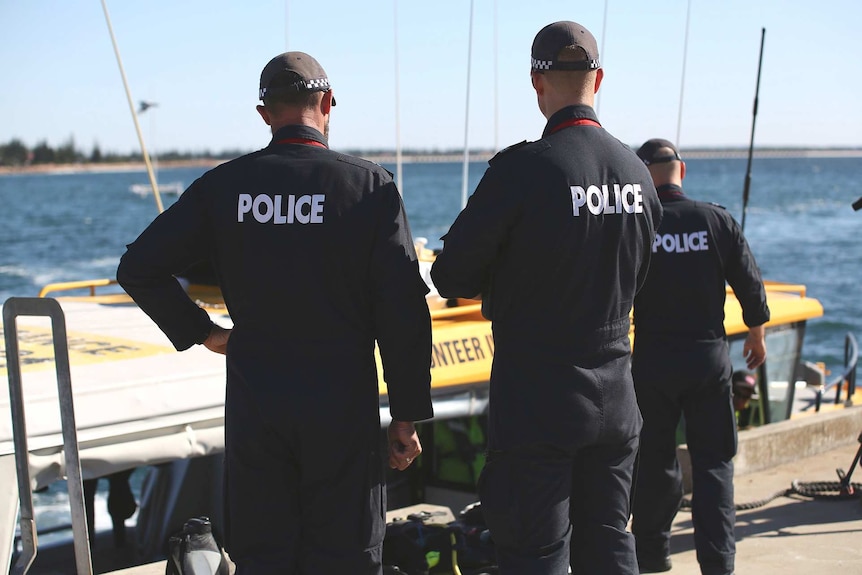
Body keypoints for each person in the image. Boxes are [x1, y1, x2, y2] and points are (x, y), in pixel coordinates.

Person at [116, 51, 434, 574]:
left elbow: (139, 267)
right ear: (327, 103)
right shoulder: (369, 187)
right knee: (347, 556)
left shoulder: (224, 187)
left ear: (264, 114)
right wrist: (406, 414)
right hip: (341, 405)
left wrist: (204, 332)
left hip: (257, 403)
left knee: (264, 556)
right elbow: (402, 311)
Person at [430, 21, 662, 575]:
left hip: (539, 396)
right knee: (609, 540)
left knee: (535, 552)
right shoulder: (638, 172)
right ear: (599, 78)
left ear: (537, 83)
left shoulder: (524, 170)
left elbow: (451, 275)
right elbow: (640, 273)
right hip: (617, 392)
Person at [630, 138, 769, 575]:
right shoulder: (715, 219)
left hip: (653, 362)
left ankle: (652, 556)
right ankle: (718, 563)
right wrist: (757, 334)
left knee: (654, 461)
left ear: (642, 175)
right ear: (682, 171)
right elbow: (749, 281)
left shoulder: (636, 225)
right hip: (707, 360)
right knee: (713, 466)